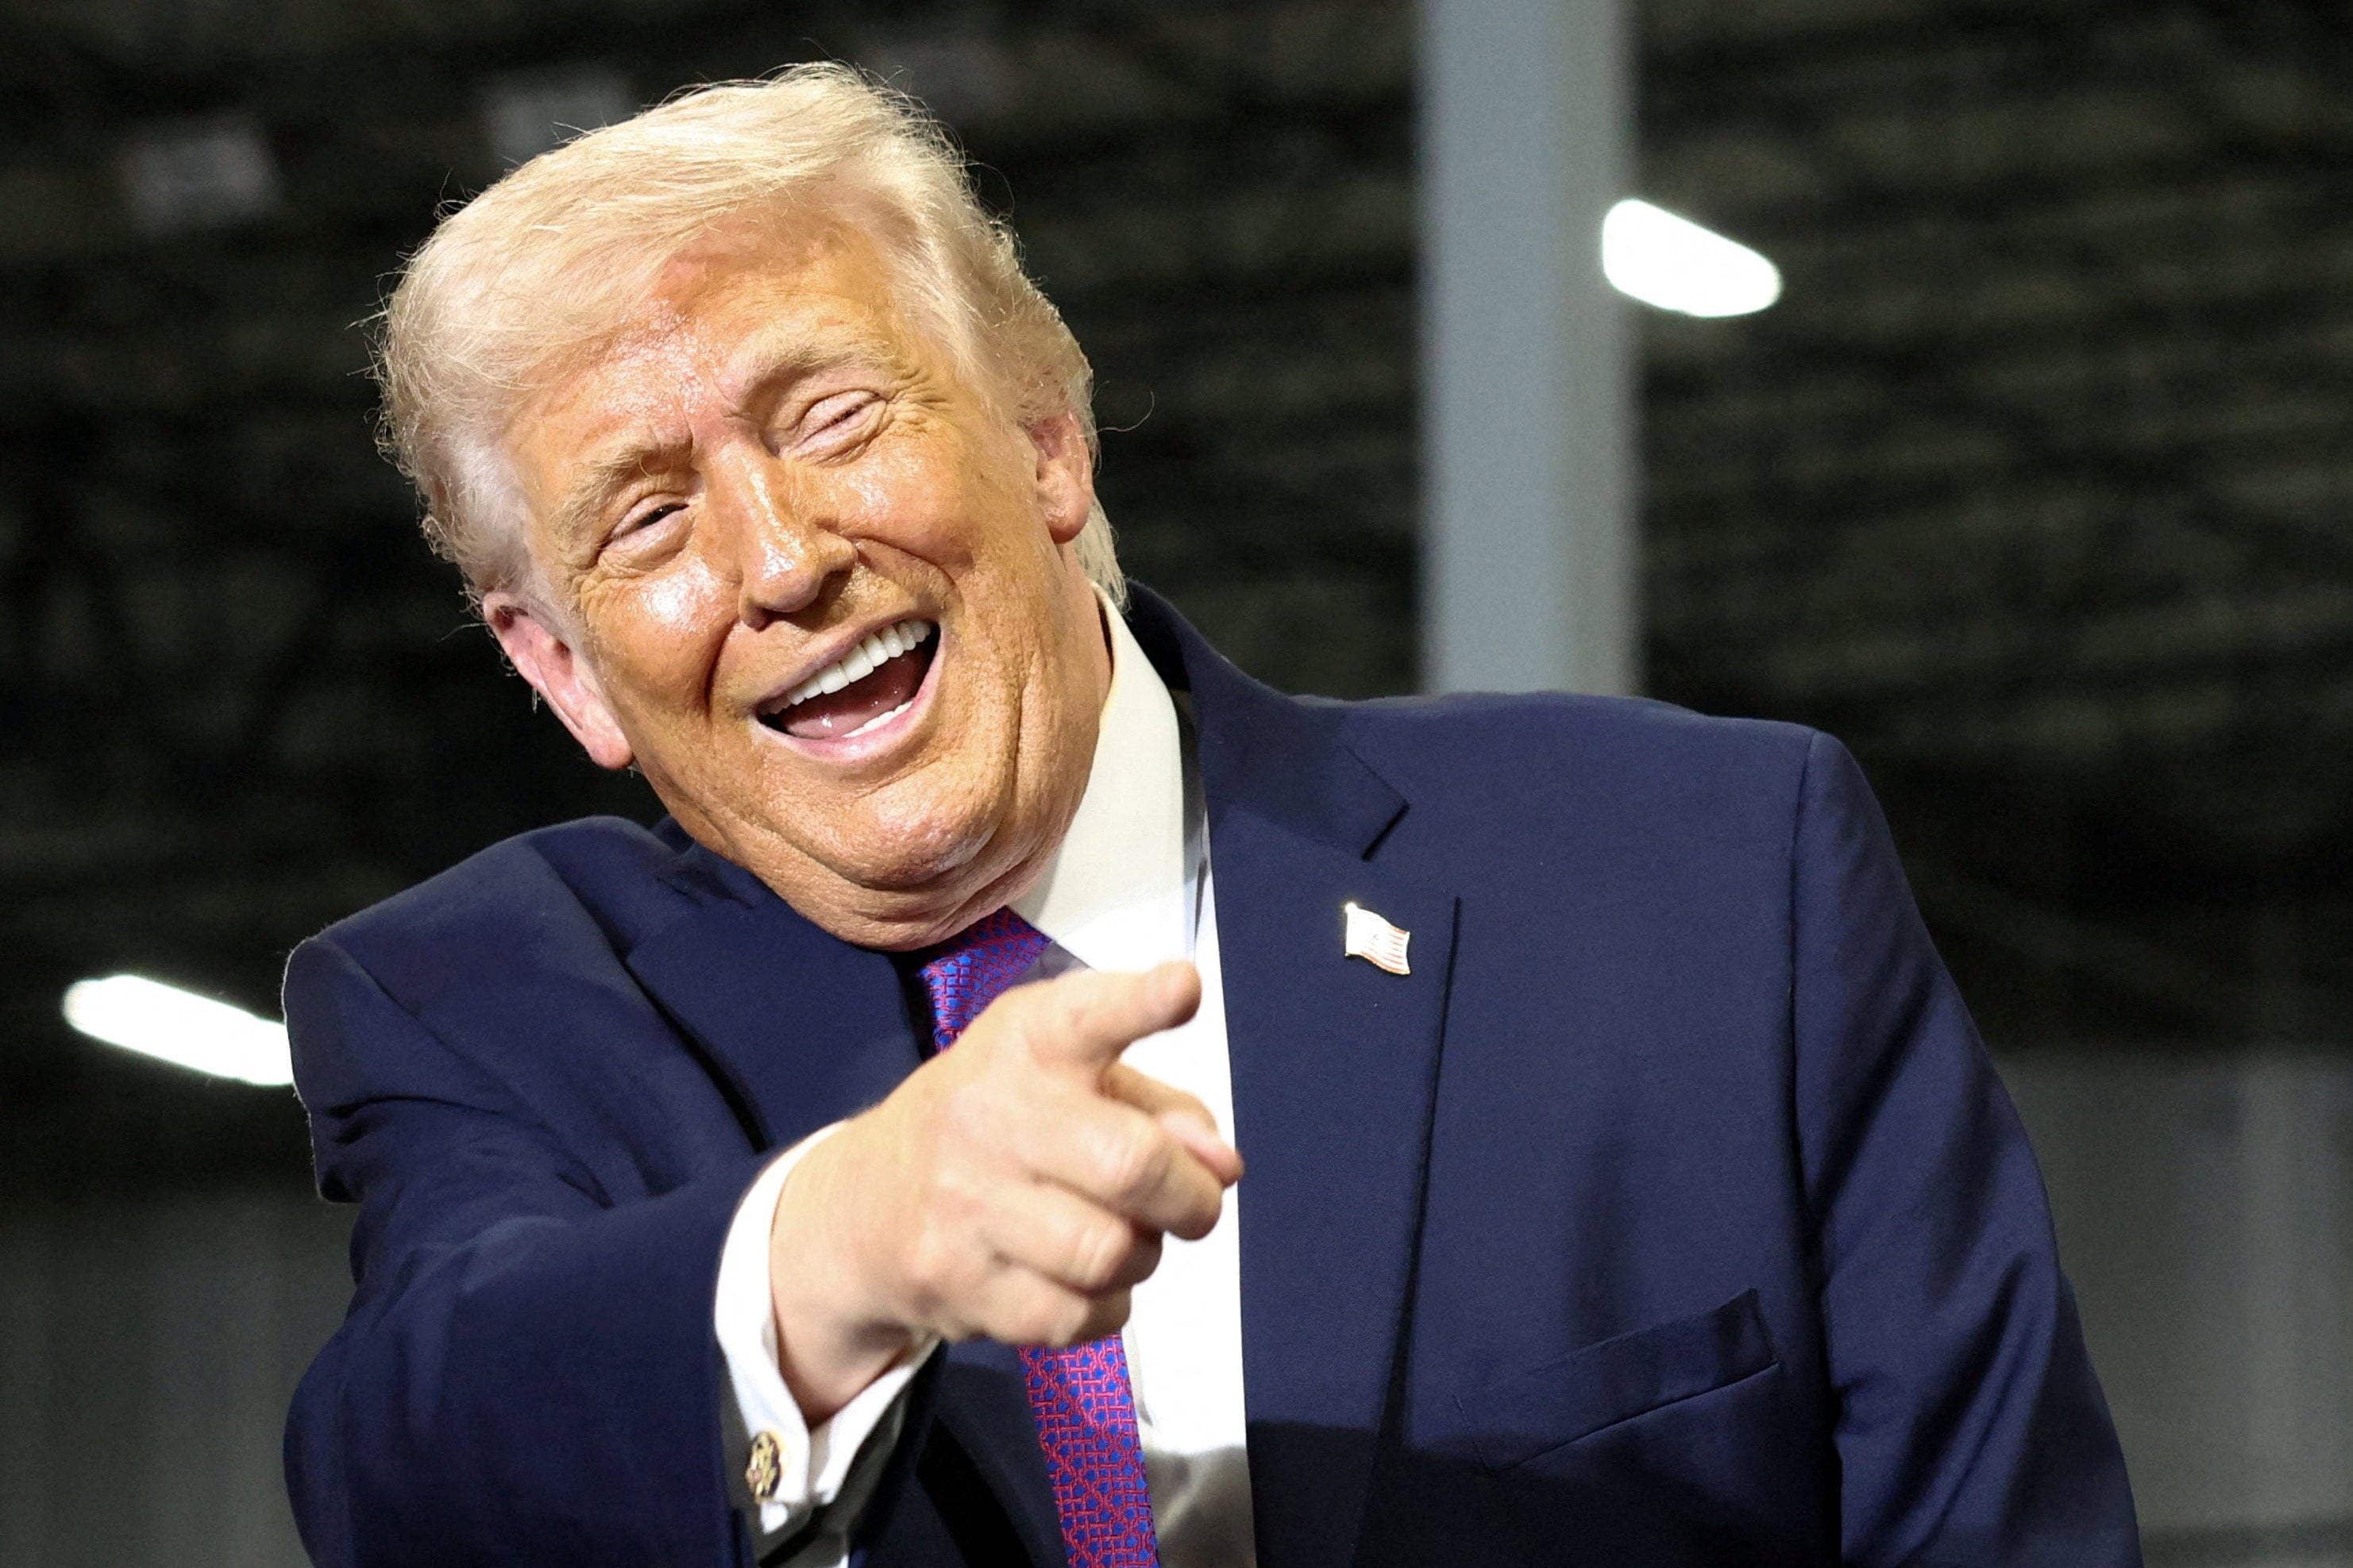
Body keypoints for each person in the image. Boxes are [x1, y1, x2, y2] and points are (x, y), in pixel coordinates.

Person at [282, 65, 2140, 1568]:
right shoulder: (486, 1007)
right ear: (565, 672)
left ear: (1043, 437)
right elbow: (407, 1465)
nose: (781, 560)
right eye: (648, 516)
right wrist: (845, 1239)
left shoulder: (1706, 875)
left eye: (836, 416)